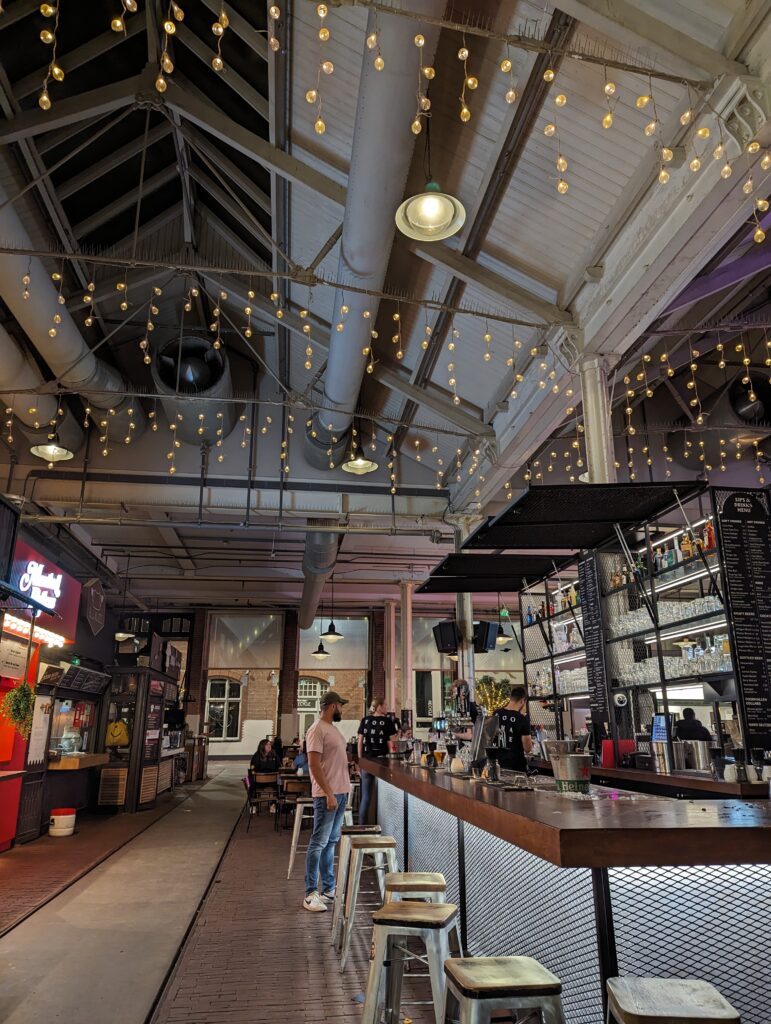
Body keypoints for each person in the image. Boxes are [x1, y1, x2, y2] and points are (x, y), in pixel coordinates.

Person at [303, 691, 351, 913]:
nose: (342, 710)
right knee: (318, 843)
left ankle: (328, 889)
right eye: (341, 706)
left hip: (340, 793)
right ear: (333, 706)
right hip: (327, 795)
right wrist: (329, 793)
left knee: (330, 842)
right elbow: (313, 764)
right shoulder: (316, 729)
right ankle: (310, 893)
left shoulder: (333, 730)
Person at [357, 700, 400, 824]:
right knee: (386, 794)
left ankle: (362, 828)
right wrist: (395, 758)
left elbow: (360, 742)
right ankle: (387, 827)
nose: (387, 707)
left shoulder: (365, 720)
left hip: (367, 760)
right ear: (379, 707)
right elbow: (393, 743)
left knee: (365, 797)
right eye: (385, 705)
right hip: (383, 761)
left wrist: (361, 761)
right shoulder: (387, 722)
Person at [491, 685, 533, 772]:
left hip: (497, 763)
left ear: (511, 698)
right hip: (515, 766)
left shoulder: (496, 713)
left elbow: (490, 736)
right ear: (522, 701)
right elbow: (527, 749)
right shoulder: (522, 719)